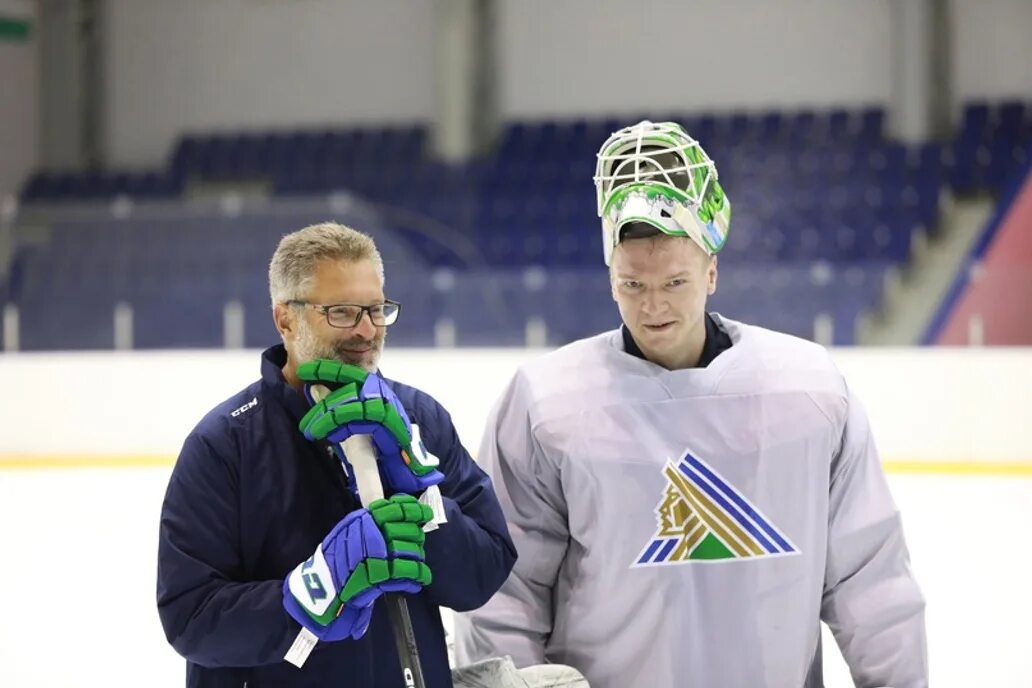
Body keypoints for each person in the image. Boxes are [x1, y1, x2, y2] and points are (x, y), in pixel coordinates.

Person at [455, 121, 928, 687]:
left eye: (675, 282)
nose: (653, 305)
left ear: (711, 271)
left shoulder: (811, 391)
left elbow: (871, 583)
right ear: (610, 278)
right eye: (633, 284)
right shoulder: (545, 403)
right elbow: (504, 590)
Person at [157, 221, 517, 687]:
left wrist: (422, 497)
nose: (367, 330)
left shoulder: (418, 419)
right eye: (343, 312)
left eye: (375, 309)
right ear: (285, 319)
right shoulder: (225, 444)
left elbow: (482, 577)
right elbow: (190, 619)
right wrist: (308, 592)